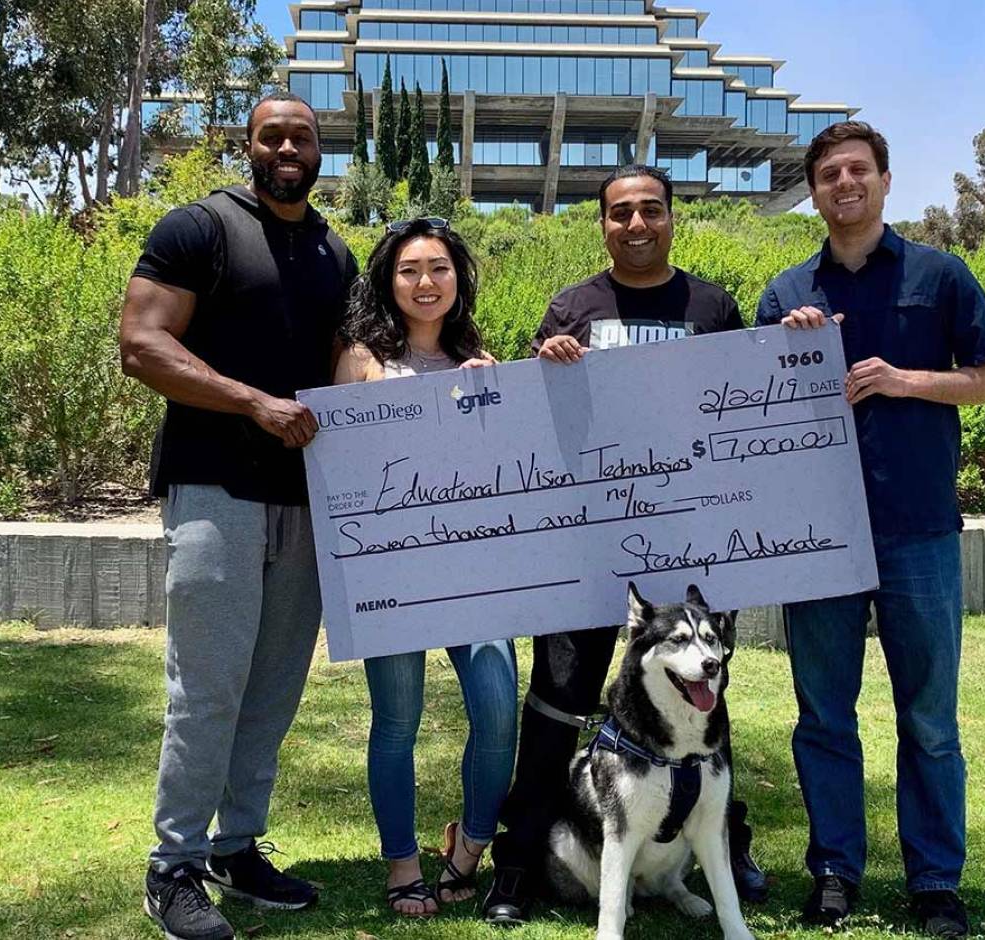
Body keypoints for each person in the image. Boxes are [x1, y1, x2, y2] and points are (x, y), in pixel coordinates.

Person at [481, 164, 767, 925]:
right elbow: (537, 421)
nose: (636, 224)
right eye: (620, 213)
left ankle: (725, 846)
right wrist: (543, 363)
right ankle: (519, 862)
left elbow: (743, 412)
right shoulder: (571, 306)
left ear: (672, 217)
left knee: (703, 698)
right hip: (587, 540)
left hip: (686, 539)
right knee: (558, 703)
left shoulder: (713, 307)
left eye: (650, 210)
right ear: (601, 223)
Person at [755, 121, 985, 939]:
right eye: (829, 173)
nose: (845, 184)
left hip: (919, 533)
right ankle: (835, 872)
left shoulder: (941, 277)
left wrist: (906, 381)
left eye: (858, 170)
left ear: (885, 181)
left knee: (930, 720)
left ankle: (935, 880)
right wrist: (780, 354)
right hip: (822, 540)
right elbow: (748, 413)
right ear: (814, 190)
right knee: (823, 717)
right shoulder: (785, 292)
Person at [117, 91, 358, 940]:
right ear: (248, 145)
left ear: (320, 148)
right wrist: (253, 402)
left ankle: (237, 846)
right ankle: (173, 864)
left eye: (301, 135)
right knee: (208, 686)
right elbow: (142, 344)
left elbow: (355, 366)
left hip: (306, 498)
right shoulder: (199, 229)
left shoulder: (335, 250)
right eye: (272, 135)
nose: (288, 147)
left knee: (273, 688)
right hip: (215, 487)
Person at [332, 218, 519, 917]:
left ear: (457, 279)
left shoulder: (480, 358)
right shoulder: (359, 357)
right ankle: (403, 862)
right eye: (409, 269)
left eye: (439, 268)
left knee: (499, 713)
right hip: (392, 573)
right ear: (388, 280)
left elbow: (507, 466)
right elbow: (344, 466)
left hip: (475, 568)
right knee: (397, 722)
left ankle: (468, 847)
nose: (425, 282)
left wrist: (497, 397)